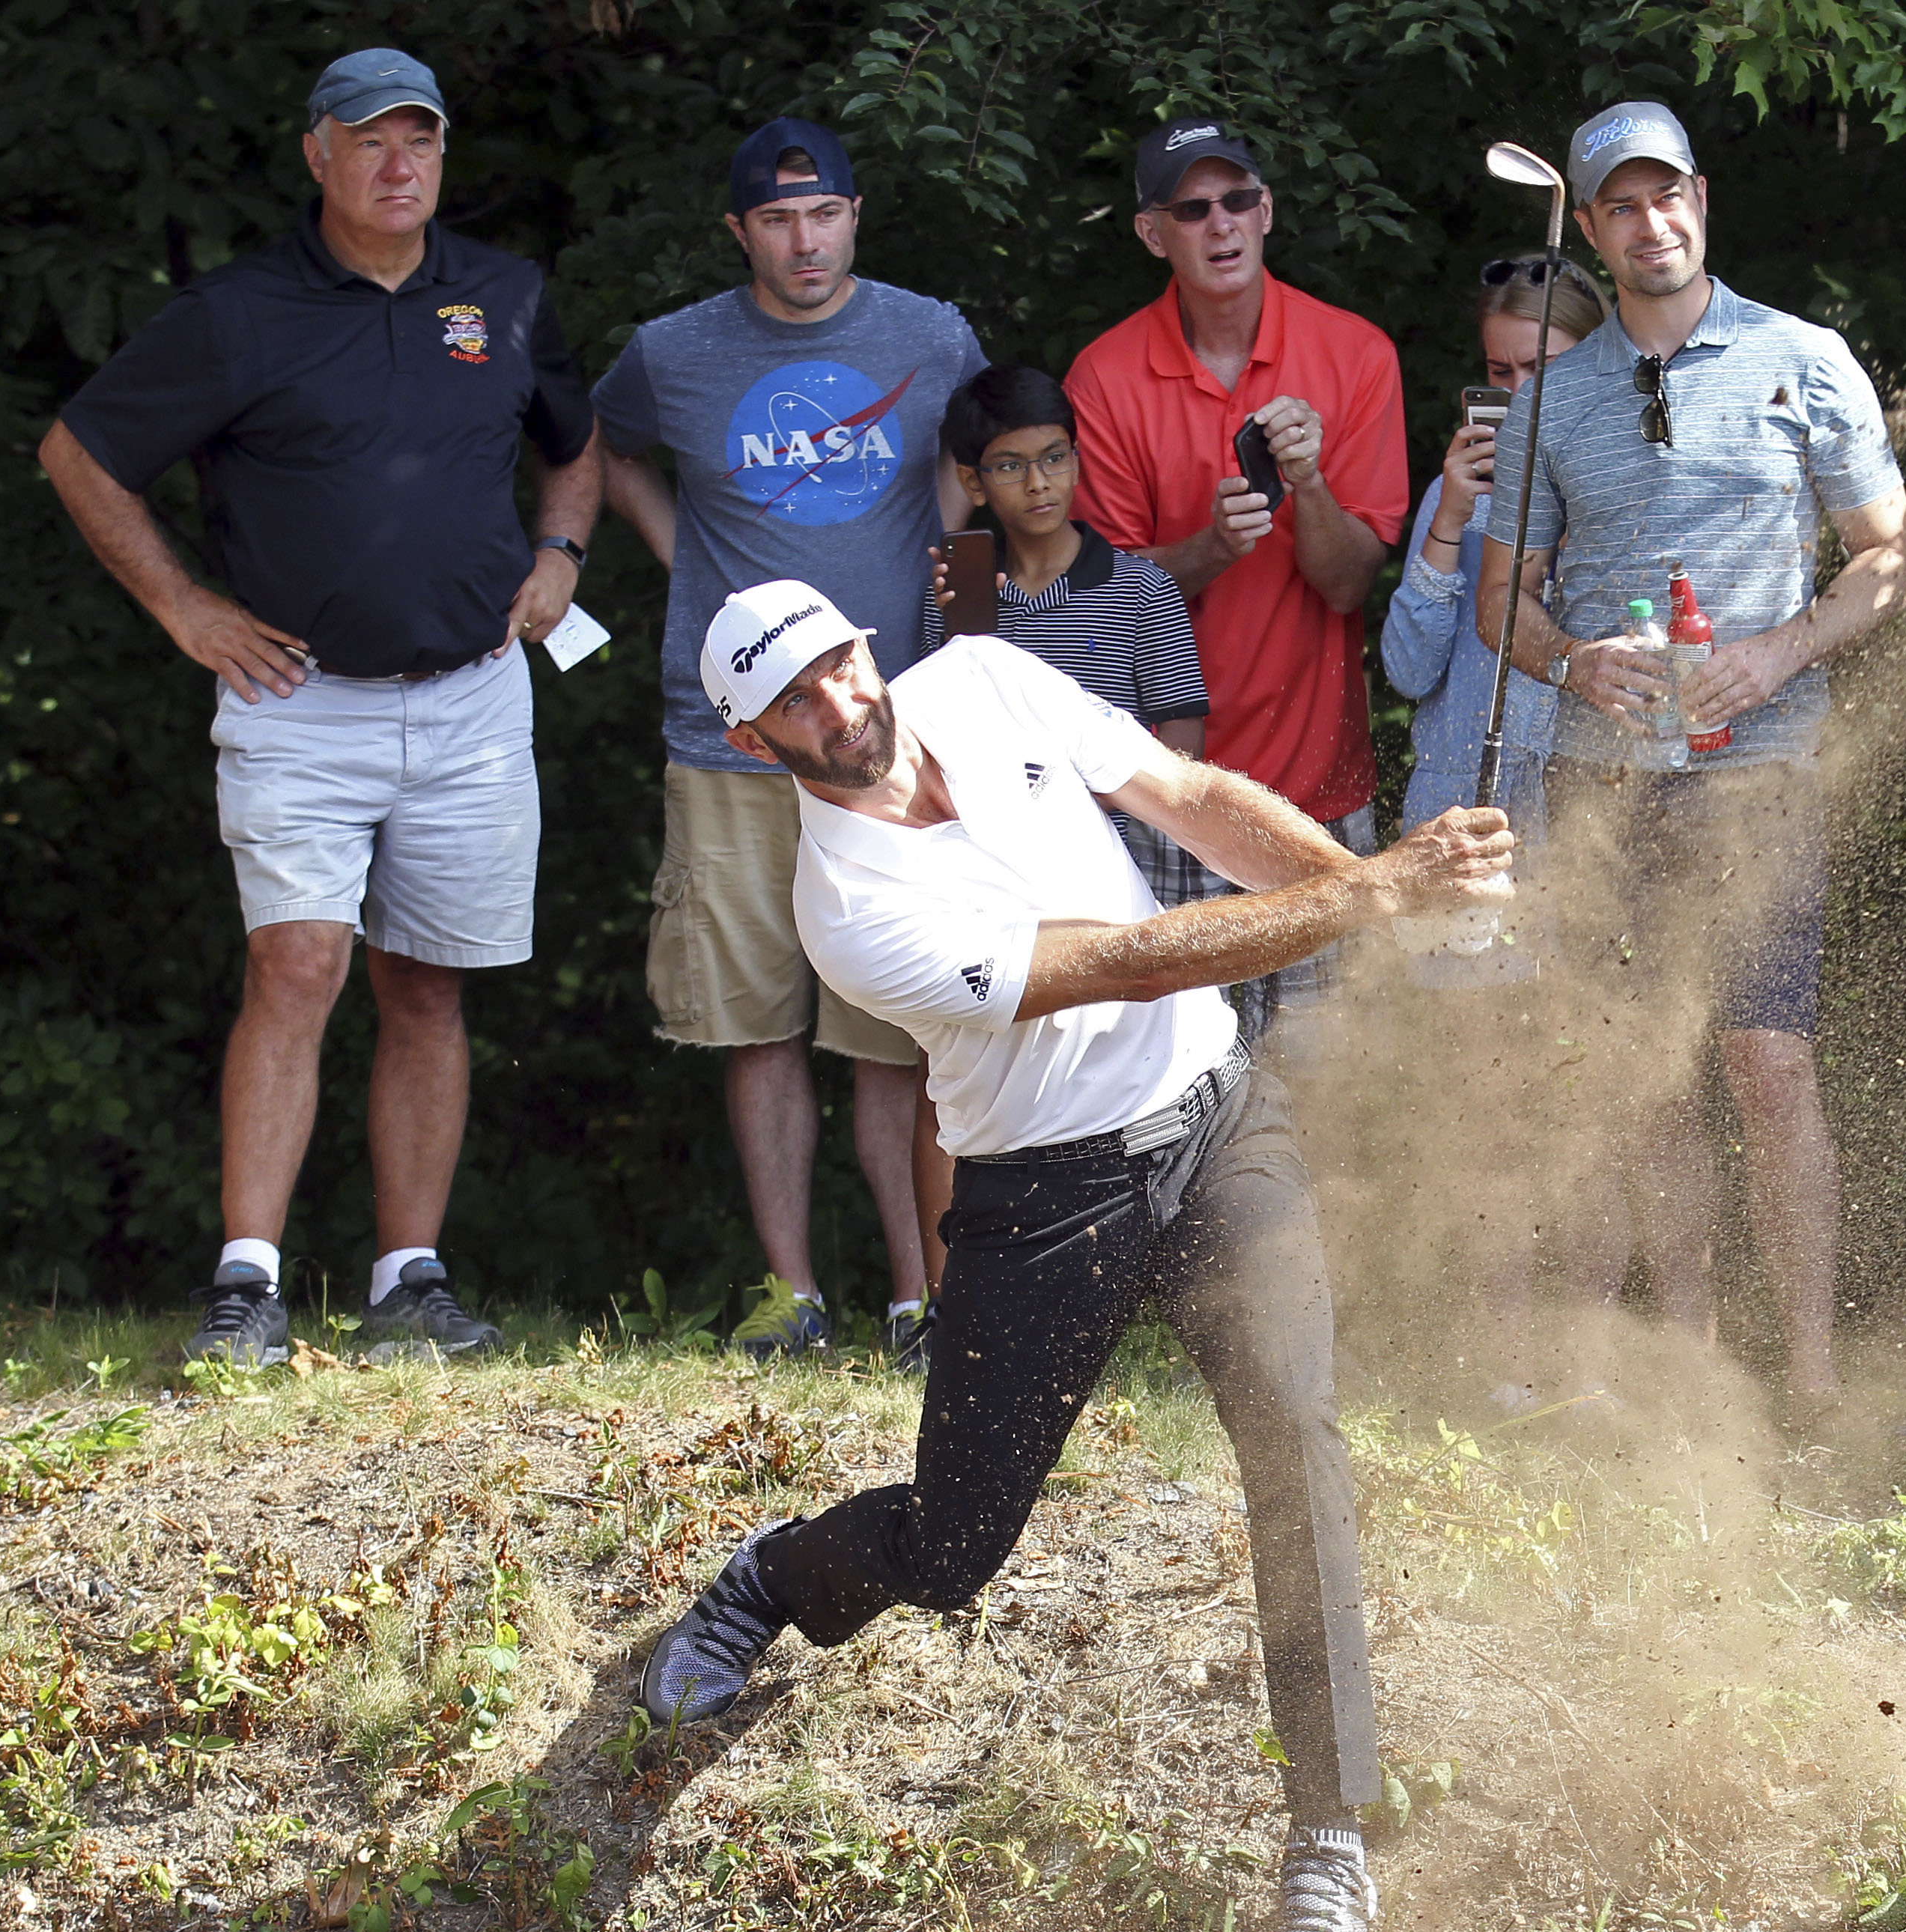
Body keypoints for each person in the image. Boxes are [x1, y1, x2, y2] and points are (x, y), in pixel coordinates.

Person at [633, 580, 1512, 1932]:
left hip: (1219, 1115)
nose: (839, 706)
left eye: (840, 665)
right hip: (1046, 1192)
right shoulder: (846, 905)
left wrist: (1380, 899)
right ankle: (771, 1579)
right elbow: (1127, 956)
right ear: (751, 741)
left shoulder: (984, 675)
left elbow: (1197, 799)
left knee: (1295, 1437)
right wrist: (1369, 894)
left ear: (867, 642)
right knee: (954, 1541)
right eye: (791, 701)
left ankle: (1327, 1841)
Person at [39, 48, 598, 1365]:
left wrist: (560, 559)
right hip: (300, 698)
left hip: (471, 701)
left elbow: (575, 448)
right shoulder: (240, 312)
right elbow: (79, 450)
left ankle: (409, 1281)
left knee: (427, 990)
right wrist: (185, 607)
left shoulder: (504, 297)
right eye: (370, 143)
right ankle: (247, 1283)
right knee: (298, 964)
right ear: (318, 156)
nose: (399, 167)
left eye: (421, 142)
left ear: (444, 156)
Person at [1475, 101, 1906, 1428]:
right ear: (1598, 229)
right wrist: (1571, 663)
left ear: (1703, 201)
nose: (1649, 222)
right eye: (1621, 204)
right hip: (1604, 778)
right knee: (1644, 1073)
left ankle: (1817, 1376)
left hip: (1761, 766)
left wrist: (1782, 651)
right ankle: (1689, 1363)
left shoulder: (1805, 355)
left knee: (1766, 1061)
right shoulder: (1554, 395)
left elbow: (1890, 557)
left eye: (1667, 196)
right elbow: (1504, 597)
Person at [593, 118, 983, 1368]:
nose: (803, 241)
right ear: (739, 231)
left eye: (823, 216)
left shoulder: (931, 335)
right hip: (733, 741)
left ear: (856, 215)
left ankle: (922, 1296)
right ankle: (790, 1296)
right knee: (757, 1022)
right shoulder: (674, 353)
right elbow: (594, 447)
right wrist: (687, 566)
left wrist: (957, 603)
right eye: (776, 219)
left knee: (894, 1029)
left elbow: (982, 471)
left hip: (887, 730)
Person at [1066, 119, 1408, 1051]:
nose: (1220, 224)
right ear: (1152, 233)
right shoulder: (1102, 377)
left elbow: (1346, 587)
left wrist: (1310, 485)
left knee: (1337, 1093)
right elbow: (1099, 601)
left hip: (1316, 793)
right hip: (1167, 796)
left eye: (1237, 201)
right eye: (1192, 207)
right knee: (1181, 1102)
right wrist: (1214, 548)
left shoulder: (1355, 355)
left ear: (1267, 212)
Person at [1377, 252, 1621, 1415]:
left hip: (1574, 821)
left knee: (1576, 1108)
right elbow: (1407, 664)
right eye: (1497, 372)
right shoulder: (1457, 498)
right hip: (1457, 829)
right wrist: (1448, 530)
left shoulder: (1622, 487)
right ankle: (1499, 1371)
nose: (1518, 396)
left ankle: (1592, 1367)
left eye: (1545, 370)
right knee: (1480, 1114)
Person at [917, 362, 1213, 891]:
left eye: (1054, 458)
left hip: (1124, 858)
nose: (1037, 483)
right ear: (972, 482)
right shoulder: (958, 598)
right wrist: (950, 638)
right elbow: (934, 733)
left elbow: (1182, 732)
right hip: (999, 864)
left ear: (1076, 462)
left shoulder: (1142, 589)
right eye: (1009, 467)